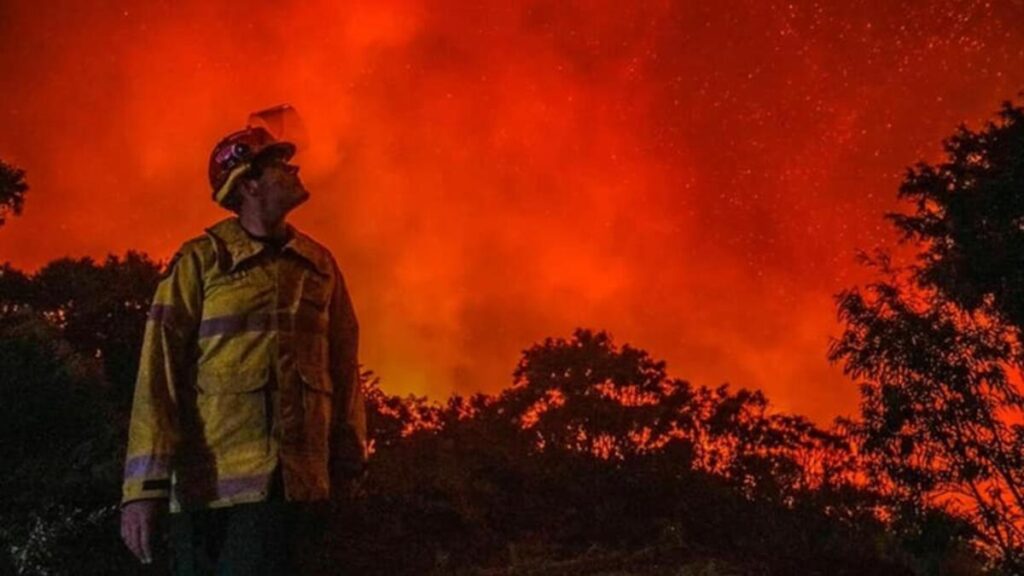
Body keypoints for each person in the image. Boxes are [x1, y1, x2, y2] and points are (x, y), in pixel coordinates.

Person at [119, 120, 367, 574]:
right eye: (278, 163)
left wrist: (349, 462)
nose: (293, 168)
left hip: (298, 492)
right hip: (211, 500)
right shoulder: (201, 262)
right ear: (248, 182)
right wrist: (143, 490)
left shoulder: (319, 267)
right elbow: (159, 376)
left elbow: (345, 369)